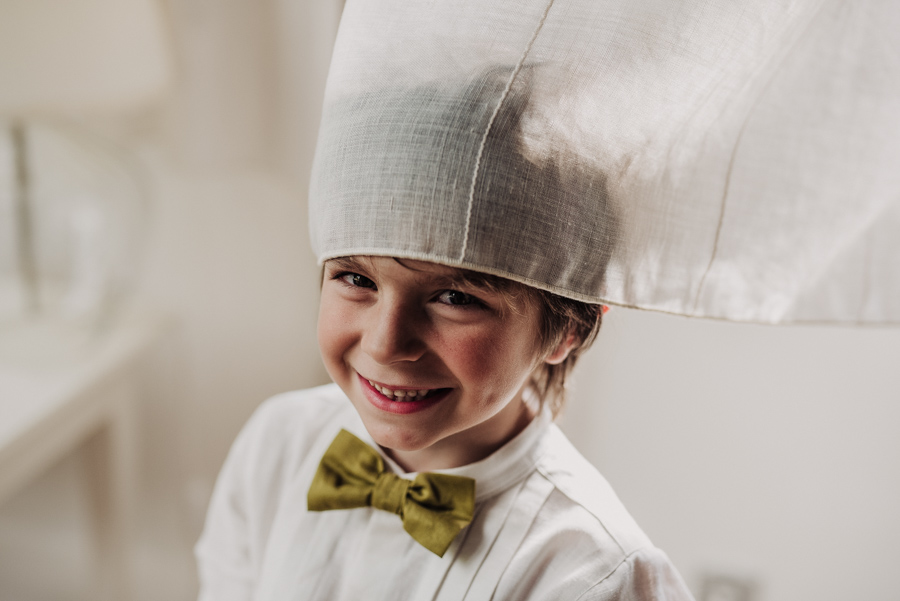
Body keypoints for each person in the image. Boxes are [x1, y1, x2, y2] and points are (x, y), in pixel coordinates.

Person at [196, 31, 694, 601]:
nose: (386, 344)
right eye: (357, 279)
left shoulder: (594, 575)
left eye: (455, 298)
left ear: (569, 328)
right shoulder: (275, 444)